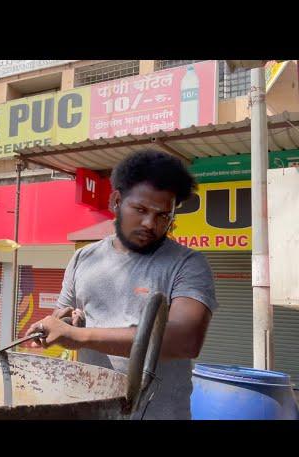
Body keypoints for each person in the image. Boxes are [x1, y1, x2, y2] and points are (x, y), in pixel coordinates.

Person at [25, 149, 217, 420]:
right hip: (92, 410)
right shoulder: (83, 258)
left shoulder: (188, 264)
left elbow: (183, 340)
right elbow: (64, 315)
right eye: (140, 209)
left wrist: (79, 337)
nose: (150, 223)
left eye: (163, 215)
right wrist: (64, 323)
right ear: (116, 201)